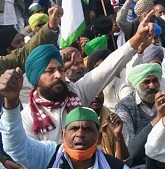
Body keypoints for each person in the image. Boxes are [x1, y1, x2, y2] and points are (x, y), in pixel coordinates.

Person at [0, 66, 142, 169]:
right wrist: (11, 103)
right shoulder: (49, 157)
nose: (80, 134)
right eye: (74, 129)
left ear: (98, 136)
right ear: (63, 134)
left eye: (88, 129)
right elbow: (15, 146)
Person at [19, 12, 152, 142]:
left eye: (61, 69)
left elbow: (108, 67)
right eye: (50, 71)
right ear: (36, 78)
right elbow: (31, 159)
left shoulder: (76, 93)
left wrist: (137, 39)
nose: (59, 75)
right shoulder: (27, 118)